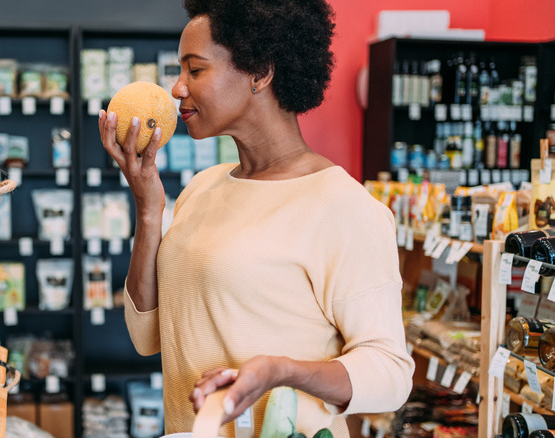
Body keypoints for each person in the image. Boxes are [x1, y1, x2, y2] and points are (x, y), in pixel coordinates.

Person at [98, 0, 414, 436]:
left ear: (261, 73)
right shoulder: (202, 188)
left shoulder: (344, 207)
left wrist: (279, 372)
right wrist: (149, 208)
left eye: (195, 70)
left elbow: (391, 373)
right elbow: (147, 336)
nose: (176, 88)